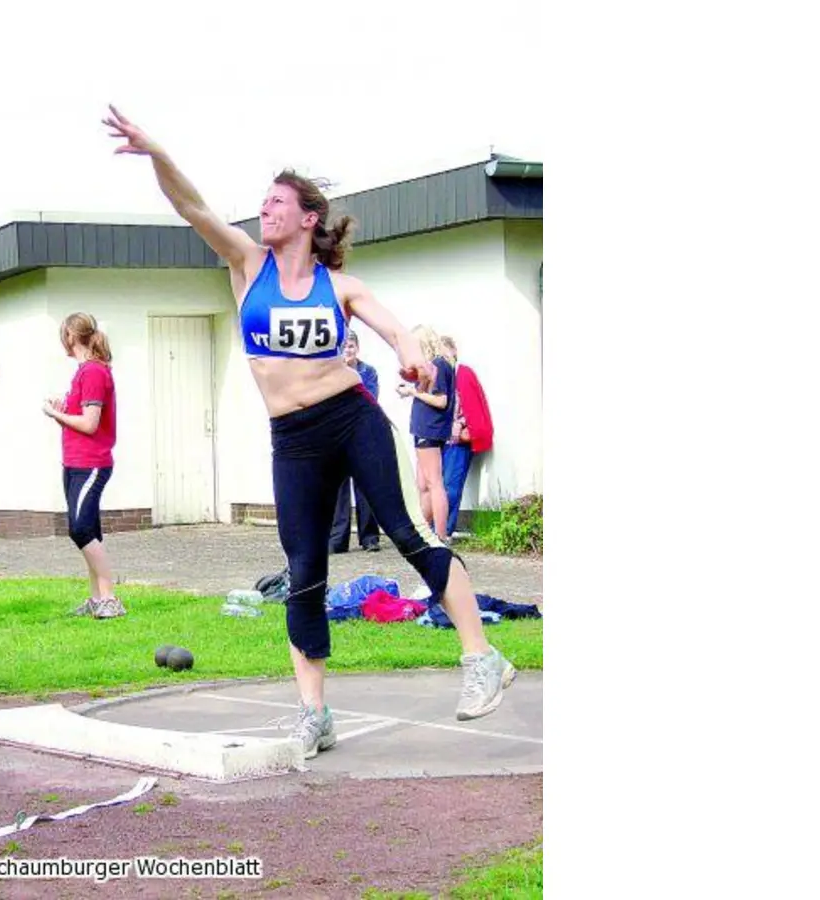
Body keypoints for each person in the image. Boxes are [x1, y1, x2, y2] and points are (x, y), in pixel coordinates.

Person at [103, 105, 516, 755]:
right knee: (304, 571)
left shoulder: (340, 286)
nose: (263, 210)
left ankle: (482, 657)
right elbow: (192, 207)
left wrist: (412, 355)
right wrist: (157, 152)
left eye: (276, 202)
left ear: (307, 219)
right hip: (292, 440)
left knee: (409, 534)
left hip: (352, 419)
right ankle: (314, 713)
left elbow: (395, 328)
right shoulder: (247, 266)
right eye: (262, 202)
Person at [43, 312, 126, 620]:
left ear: (69, 337)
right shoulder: (84, 372)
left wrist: (54, 413)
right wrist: (63, 412)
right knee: (89, 529)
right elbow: (83, 419)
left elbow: (90, 424)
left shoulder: (92, 372)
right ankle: (96, 599)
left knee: (79, 529)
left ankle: (110, 598)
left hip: (91, 463)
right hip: (74, 461)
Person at [396, 326, 457, 542]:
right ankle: (423, 532)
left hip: (430, 429)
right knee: (423, 485)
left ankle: (440, 535)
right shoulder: (433, 366)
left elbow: (441, 401)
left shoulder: (439, 365)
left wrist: (414, 392)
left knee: (434, 483)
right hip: (425, 428)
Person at [330, 331, 381, 553]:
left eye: (350, 346)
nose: (347, 350)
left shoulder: (368, 372)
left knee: (366, 487)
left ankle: (369, 537)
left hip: (362, 435)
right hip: (338, 436)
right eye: (343, 347)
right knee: (339, 489)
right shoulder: (331, 373)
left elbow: (369, 401)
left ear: (357, 348)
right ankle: (338, 539)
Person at [438, 335, 494, 536]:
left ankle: (444, 530)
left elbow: (473, 406)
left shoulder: (463, 373)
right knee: (439, 486)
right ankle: (439, 529)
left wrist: (462, 426)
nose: (442, 357)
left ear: (453, 350)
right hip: (439, 439)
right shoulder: (440, 375)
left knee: (450, 486)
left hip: (457, 441)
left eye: (444, 351)